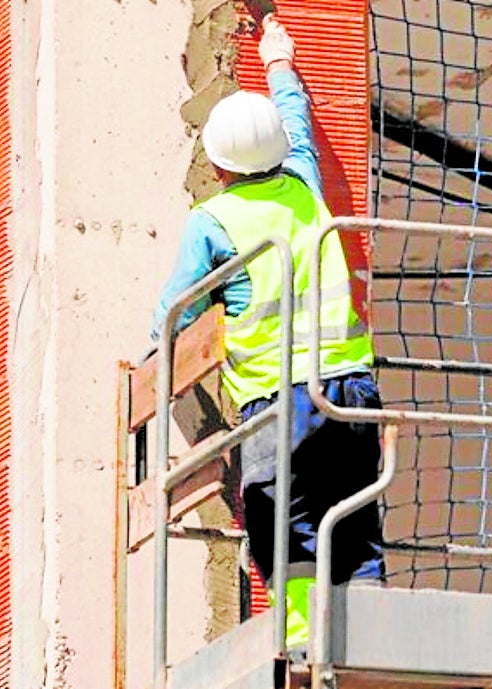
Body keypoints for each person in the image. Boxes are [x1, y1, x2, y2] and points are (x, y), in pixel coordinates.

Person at [150, 16, 384, 653]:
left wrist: (154, 360)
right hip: (355, 390)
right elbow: (296, 118)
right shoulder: (306, 186)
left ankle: (306, 642)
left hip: (281, 401)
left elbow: (172, 313)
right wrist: (277, 56)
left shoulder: (213, 221)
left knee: (283, 523)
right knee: (356, 518)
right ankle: (373, 631)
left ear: (218, 165)